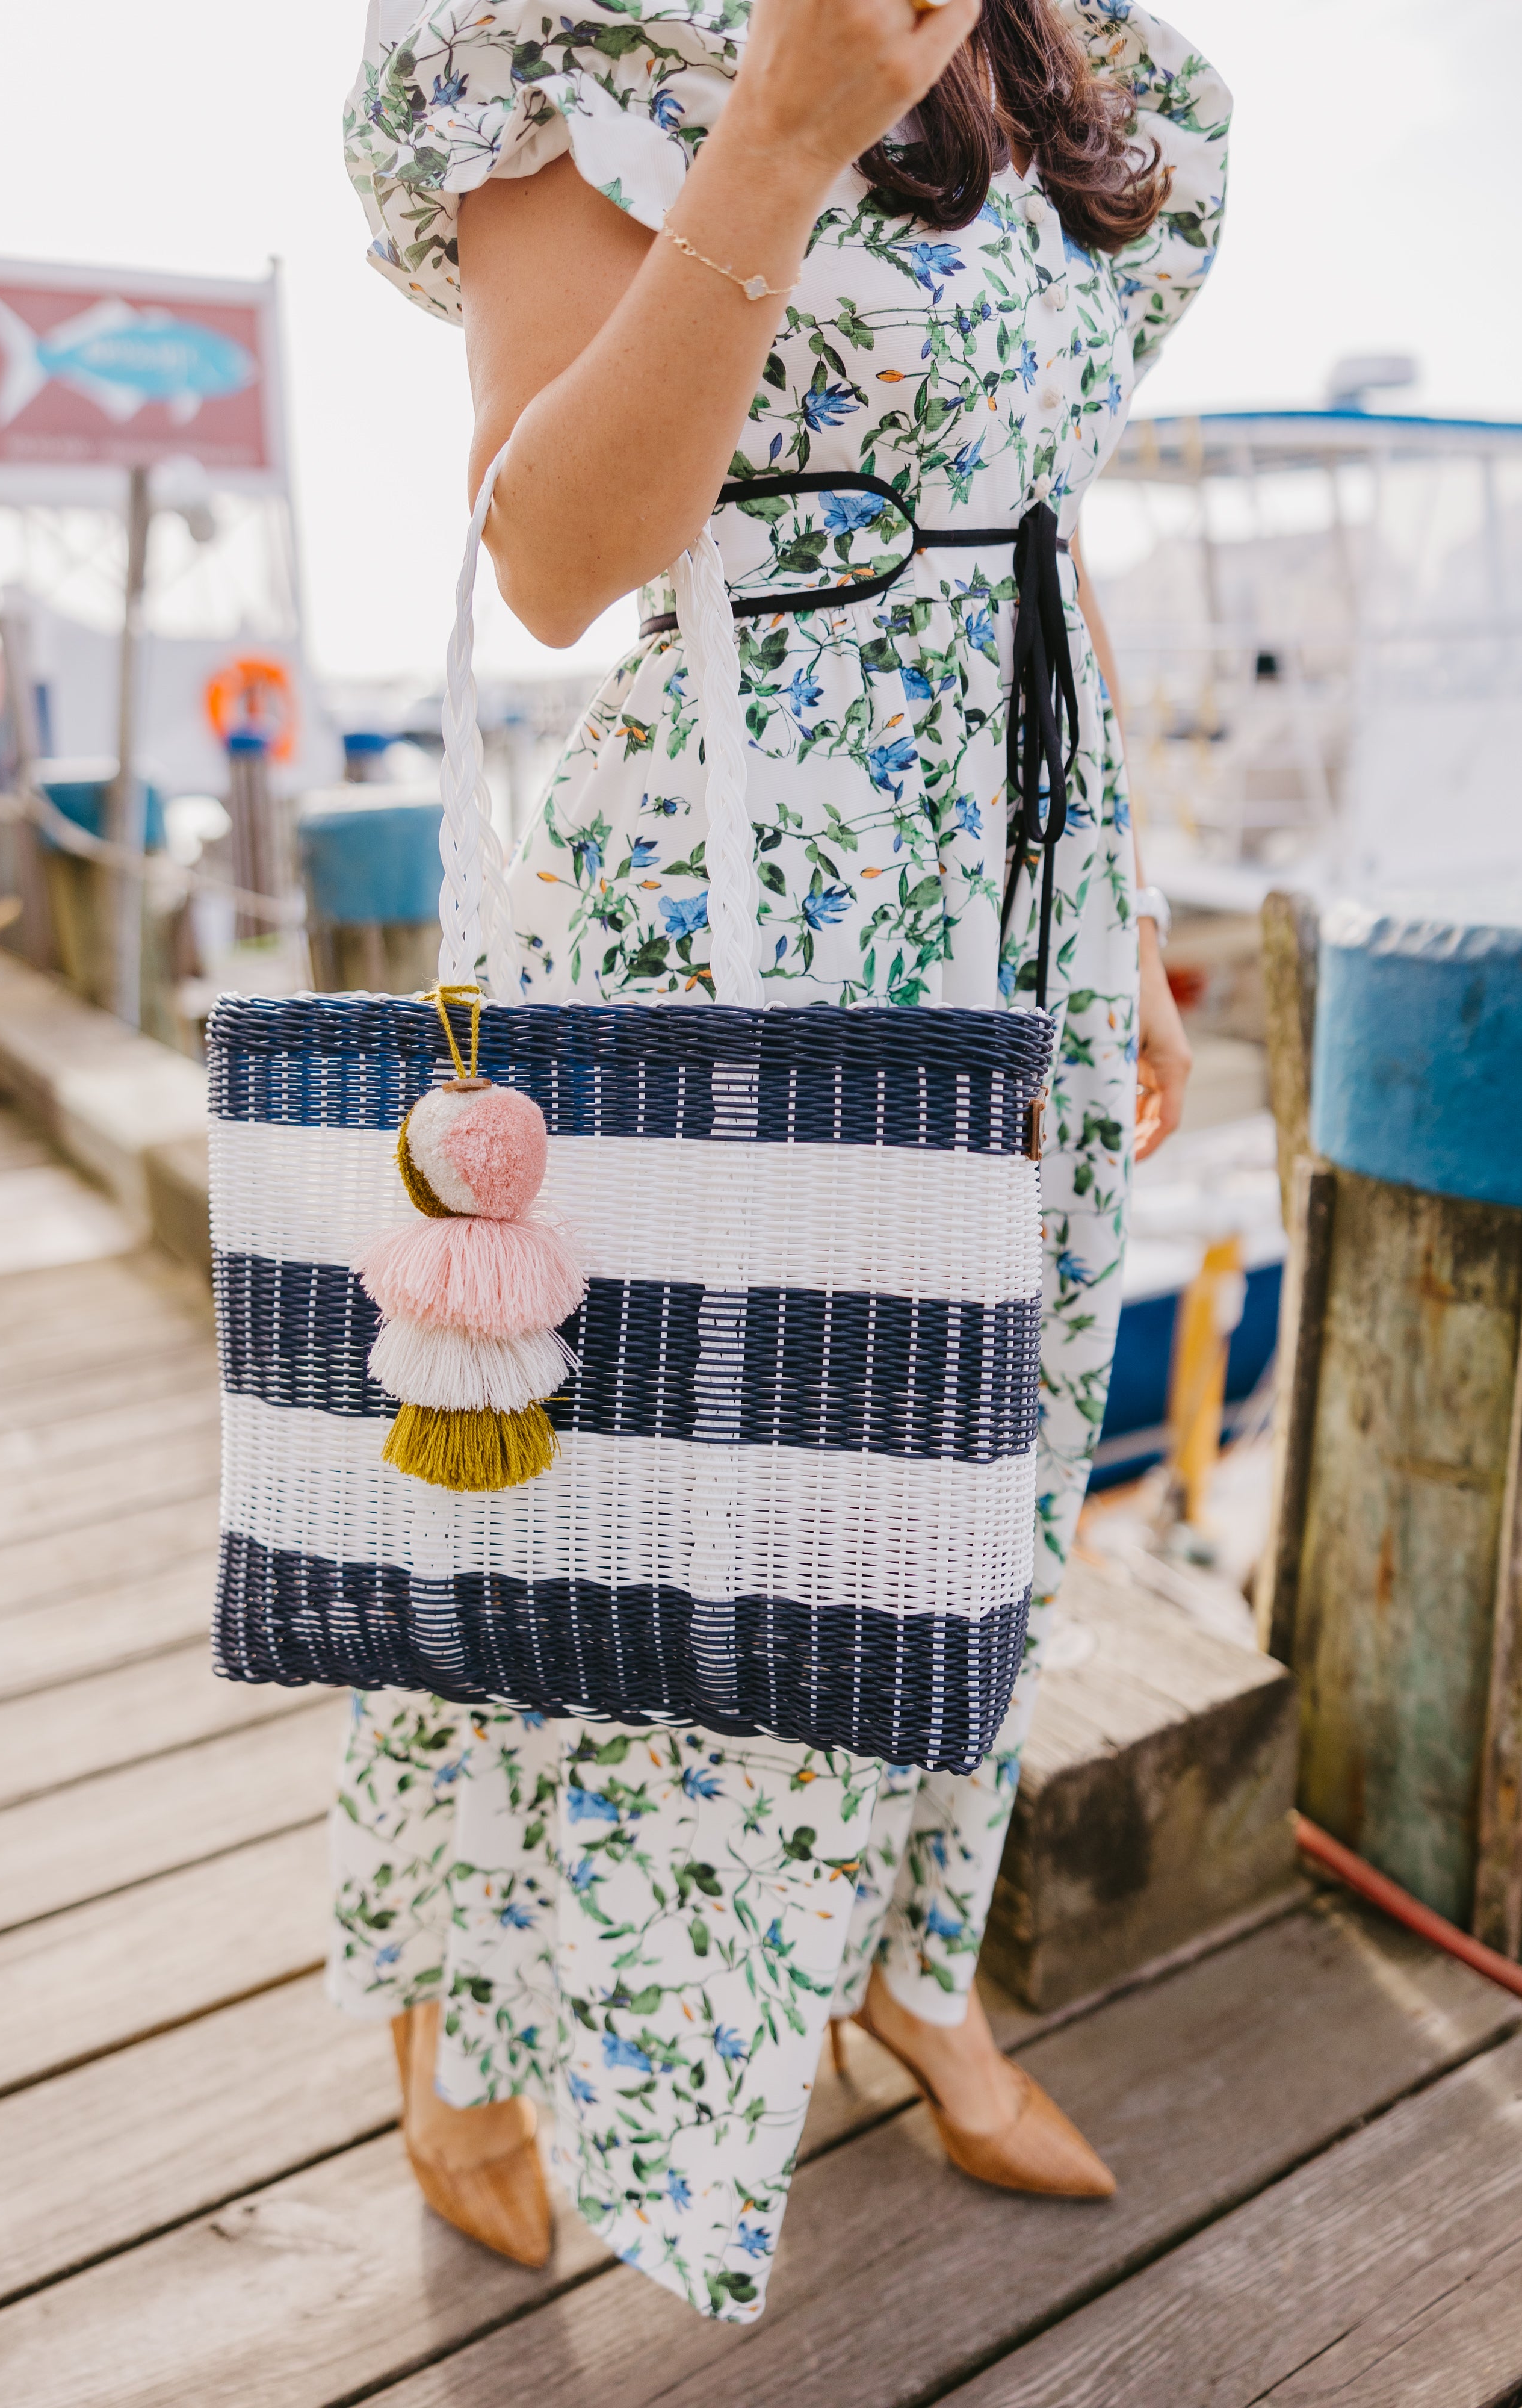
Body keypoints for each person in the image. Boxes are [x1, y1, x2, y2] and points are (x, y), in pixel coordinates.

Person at [333, 0, 1226, 2323]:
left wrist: (1109, 909)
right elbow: (548, 550)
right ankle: (475, 2000)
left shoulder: (1043, 36)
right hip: (750, 884)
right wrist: (782, 129)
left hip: (1020, 868)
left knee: (969, 1488)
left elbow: (1031, 492)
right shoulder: (552, 36)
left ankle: (909, 1964)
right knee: (640, 1511)